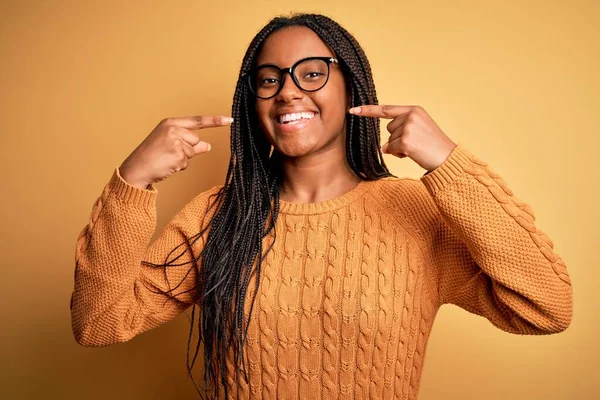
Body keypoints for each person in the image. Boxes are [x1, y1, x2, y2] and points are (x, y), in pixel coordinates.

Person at [69, 13, 573, 400]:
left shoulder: (415, 211)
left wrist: (448, 162)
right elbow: (98, 323)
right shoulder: (218, 216)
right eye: (269, 79)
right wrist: (131, 181)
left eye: (312, 73)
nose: (287, 91)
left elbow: (547, 307)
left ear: (352, 85)